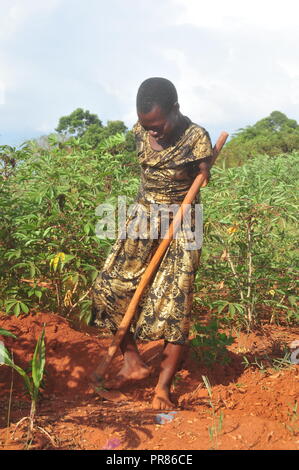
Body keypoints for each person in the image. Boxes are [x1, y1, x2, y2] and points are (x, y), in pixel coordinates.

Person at [90, 77, 213, 409]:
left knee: (177, 303)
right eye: (148, 126)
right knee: (108, 287)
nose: (153, 132)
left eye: (158, 125)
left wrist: (204, 169)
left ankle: (162, 388)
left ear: (175, 108)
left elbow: (202, 178)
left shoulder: (196, 138)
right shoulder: (139, 131)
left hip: (183, 222)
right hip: (144, 216)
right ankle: (133, 362)